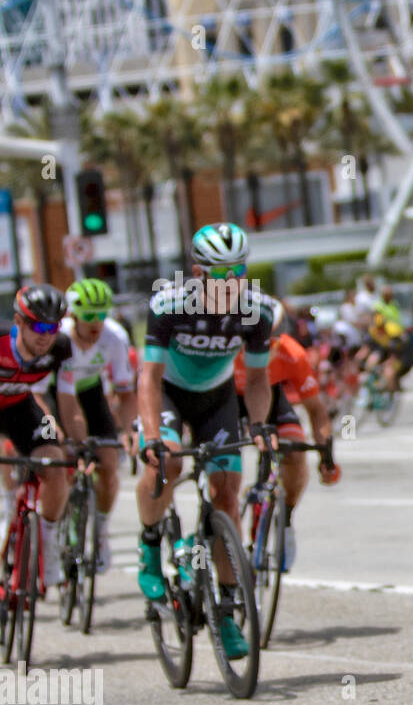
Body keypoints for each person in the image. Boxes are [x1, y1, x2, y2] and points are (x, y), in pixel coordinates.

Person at [136, 222, 278, 661]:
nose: (230, 282)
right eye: (219, 274)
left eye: (237, 271)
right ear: (198, 274)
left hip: (216, 398)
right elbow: (149, 376)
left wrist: (258, 426)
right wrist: (153, 436)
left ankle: (229, 609)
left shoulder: (257, 310)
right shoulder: (168, 304)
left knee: (227, 495)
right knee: (168, 463)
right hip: (170, 395)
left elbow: (256, 380)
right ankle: (148, 544)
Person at [0, 285, 85, 587]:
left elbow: (67, 401)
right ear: (19, 321)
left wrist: (79, 444)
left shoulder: (61, 348)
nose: (45, 335)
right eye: (38, 325)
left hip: (21, 407)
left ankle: (46, 549)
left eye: (53, 327)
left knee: (57, 464)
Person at [233, 332, 340, 569]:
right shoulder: (225, 347)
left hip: (269, 398)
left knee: (294, 453)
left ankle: (286, 518)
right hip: (229, 399)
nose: (264, 347)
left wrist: (326, 456)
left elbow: (316, 409)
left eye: (271, 341)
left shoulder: (292, 352)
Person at [56, 278, 137, 571]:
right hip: (60, 395)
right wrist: (75, 445)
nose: (96, 323)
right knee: (65, 461)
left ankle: (101, 531)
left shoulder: (114, 337)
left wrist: (130, 431)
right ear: (73, 316)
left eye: (102, 315)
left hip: (91, 392)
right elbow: (67, 404)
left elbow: (126, 394)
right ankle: (61, 521)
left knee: (109, 463)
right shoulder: (61, 339)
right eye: (89, 316)